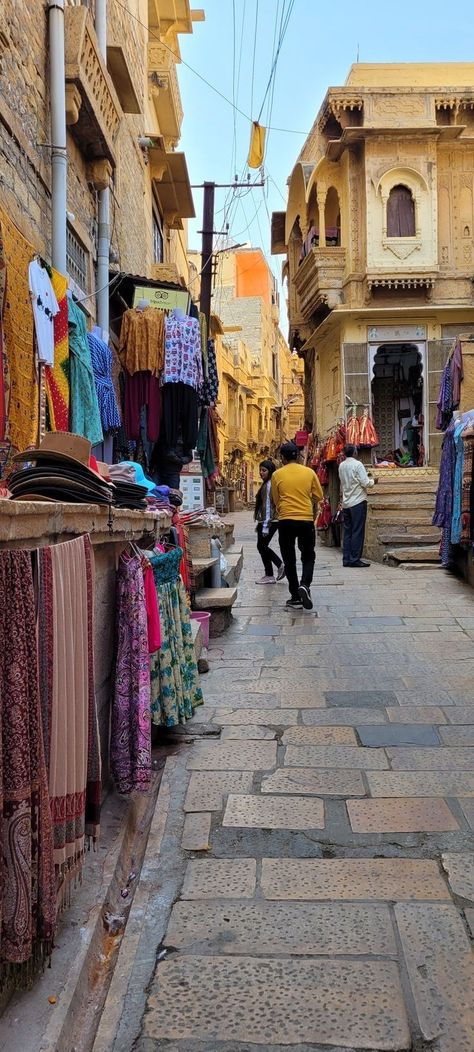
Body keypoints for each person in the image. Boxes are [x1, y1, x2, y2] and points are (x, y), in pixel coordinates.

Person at [271, 441, 323, 610]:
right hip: (306, 519)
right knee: (308, 555)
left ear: (282, 458)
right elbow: (318, 495)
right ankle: (305, 585)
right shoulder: (309, 472)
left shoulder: (277, 475)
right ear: (298, 457)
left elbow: (276, 500)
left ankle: (295, 596)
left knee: (289, 558)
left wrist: (283, 509)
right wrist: (307, 502)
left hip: (286, 519)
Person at [338, 444, 375, 567]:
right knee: (357, 531)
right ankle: (355, 558)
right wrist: (373, 481)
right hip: (358, 501)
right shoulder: (358, 464)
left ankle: (346, 558)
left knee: (348, 531)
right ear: (354, 453)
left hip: (347, 502)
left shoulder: (341, 466)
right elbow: (365, 483)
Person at [254, 460, 285, 584]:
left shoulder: (269, 485)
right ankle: (270, 574)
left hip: (271, 520)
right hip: (268, 520)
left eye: (264, 470)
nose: (261, 473)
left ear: (270, 471)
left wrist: (265, 526)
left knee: (261, 546)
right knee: (262, 546)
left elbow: (268, 507)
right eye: (260, 470)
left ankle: (278, 566)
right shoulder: (268, 483)